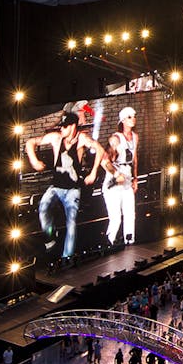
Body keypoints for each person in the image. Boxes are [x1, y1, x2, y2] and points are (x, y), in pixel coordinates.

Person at [26, 110, 104, 261]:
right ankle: (50, 238)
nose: (61, 129)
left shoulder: (81, 138)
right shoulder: (56, 138)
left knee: (71, 223)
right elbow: (31, 142)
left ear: (73, 126)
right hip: (56, 186)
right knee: (43, 208)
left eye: (65, 126)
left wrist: (93, 172)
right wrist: (34, 161)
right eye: (61, 126)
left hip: (72, 190)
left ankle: (67, 257)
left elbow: (99, 150)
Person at [104, 106, 140, 247]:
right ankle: (109, 243)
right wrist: (116, 174)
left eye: (134, 116)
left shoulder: (135, 137)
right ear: (123, 120)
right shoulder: (116, 138)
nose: (133, 119)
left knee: (130, 214)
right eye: (130, 117)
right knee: (116, 218)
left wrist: (135, 179)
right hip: (114, 181)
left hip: (127, 178)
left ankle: (130, 241)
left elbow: (135, 159)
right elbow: (105, 161)